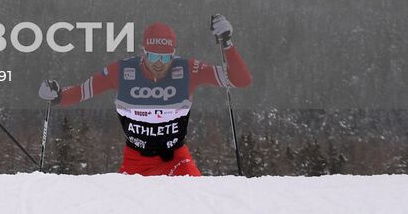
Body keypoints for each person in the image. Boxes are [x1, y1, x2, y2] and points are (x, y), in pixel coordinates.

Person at [38, 15, 252, 176]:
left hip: (176, 159)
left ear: (174, 55)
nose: (159, 64)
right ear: (142, 52)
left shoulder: (187, 70)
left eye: (166, 58)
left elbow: (240, 80)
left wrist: (227, 44)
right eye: (152, 56)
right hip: (135, 161)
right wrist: (56, 95)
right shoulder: (121, 71)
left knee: (197, 203)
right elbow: (82, 91)